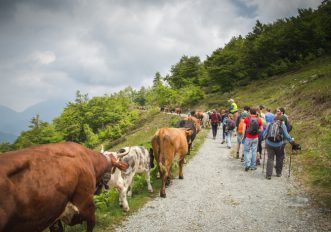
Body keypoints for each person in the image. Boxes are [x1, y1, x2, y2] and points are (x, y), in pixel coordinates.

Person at [263, 115, 296, 179]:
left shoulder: (270, 124)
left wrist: (264, 139)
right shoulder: (282, 125)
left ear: (274, 119)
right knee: (279, 158)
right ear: (281, 120)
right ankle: (278, 173)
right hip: (279, 145)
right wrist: (291, 141)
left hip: (269, 144)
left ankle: (268, 175)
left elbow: (265, 134)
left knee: (270, 158)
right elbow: (286, 135)